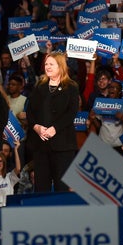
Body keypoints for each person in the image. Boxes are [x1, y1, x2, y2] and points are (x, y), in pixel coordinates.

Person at [26, 52, 79, 192]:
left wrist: (55, 128)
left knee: (62, 187)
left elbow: (71, 113)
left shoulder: (71, 87)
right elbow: (30, 110)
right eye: (46, 64)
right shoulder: (39, 86)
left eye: (51, 64)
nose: (47, 67)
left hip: (63, 146)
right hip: (41, 146)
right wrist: (36, 127)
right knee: (41, 187)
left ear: (60, 66)